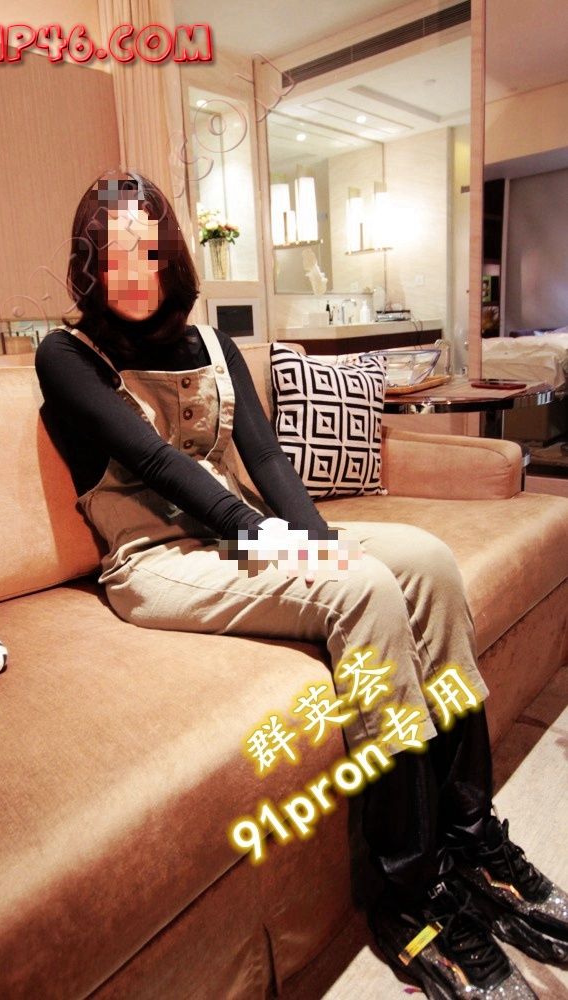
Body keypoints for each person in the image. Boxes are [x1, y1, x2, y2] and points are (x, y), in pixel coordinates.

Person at [35, 170, 567, 999]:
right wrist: (302, 556)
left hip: (246, 535)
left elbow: (267, 457)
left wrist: (314, 542)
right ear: (87, 265)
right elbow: (157, 463)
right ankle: (409, 892)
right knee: (361, 589)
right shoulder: (65, 354)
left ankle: (470, 838)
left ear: (171, 255)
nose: (132, 274)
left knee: (426, 562)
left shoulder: (211, 343)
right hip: (160, 561)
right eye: (111, 257)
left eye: (147, 252)